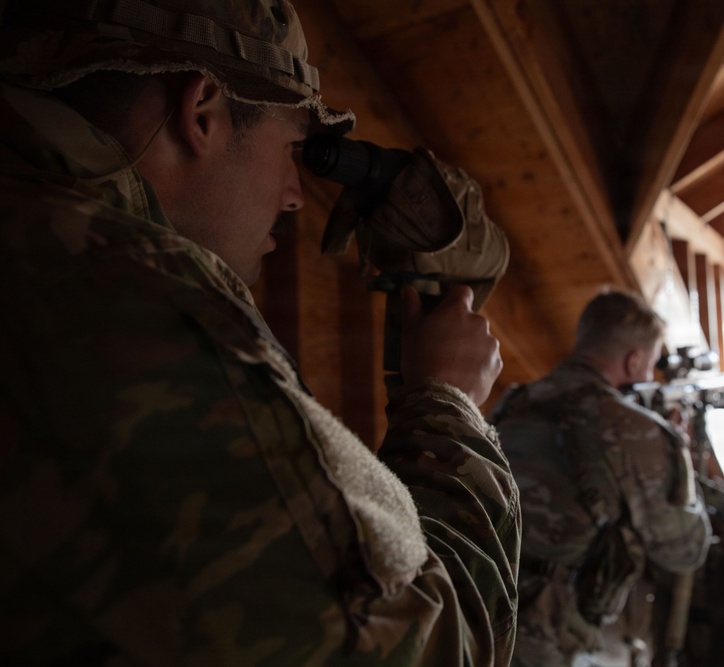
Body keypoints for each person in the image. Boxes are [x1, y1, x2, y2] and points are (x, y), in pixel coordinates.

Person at [0, 1, 518, 665]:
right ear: (204, 112)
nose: (297, 195)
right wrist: (448, 404)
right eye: (293, 150)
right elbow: (436, 651)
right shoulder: (135, 303)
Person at [490, 288, 711, 667]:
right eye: (651, 363)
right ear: (633, 360)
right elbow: (684, 550)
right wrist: (679, 455)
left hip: (484, 603)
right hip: (553, 632)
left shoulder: (513, 400)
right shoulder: (639, 431)